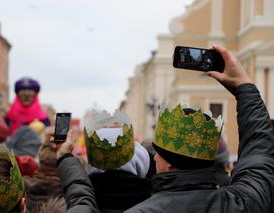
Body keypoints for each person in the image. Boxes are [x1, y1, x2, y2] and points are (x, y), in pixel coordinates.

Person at [54, 45, 274, 213]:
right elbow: (259, 152)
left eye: (157, 153)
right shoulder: (244, 203)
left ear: (168, 164)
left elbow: (82, 204)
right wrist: (244, 87)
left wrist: (65, 160)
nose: (154, 158)